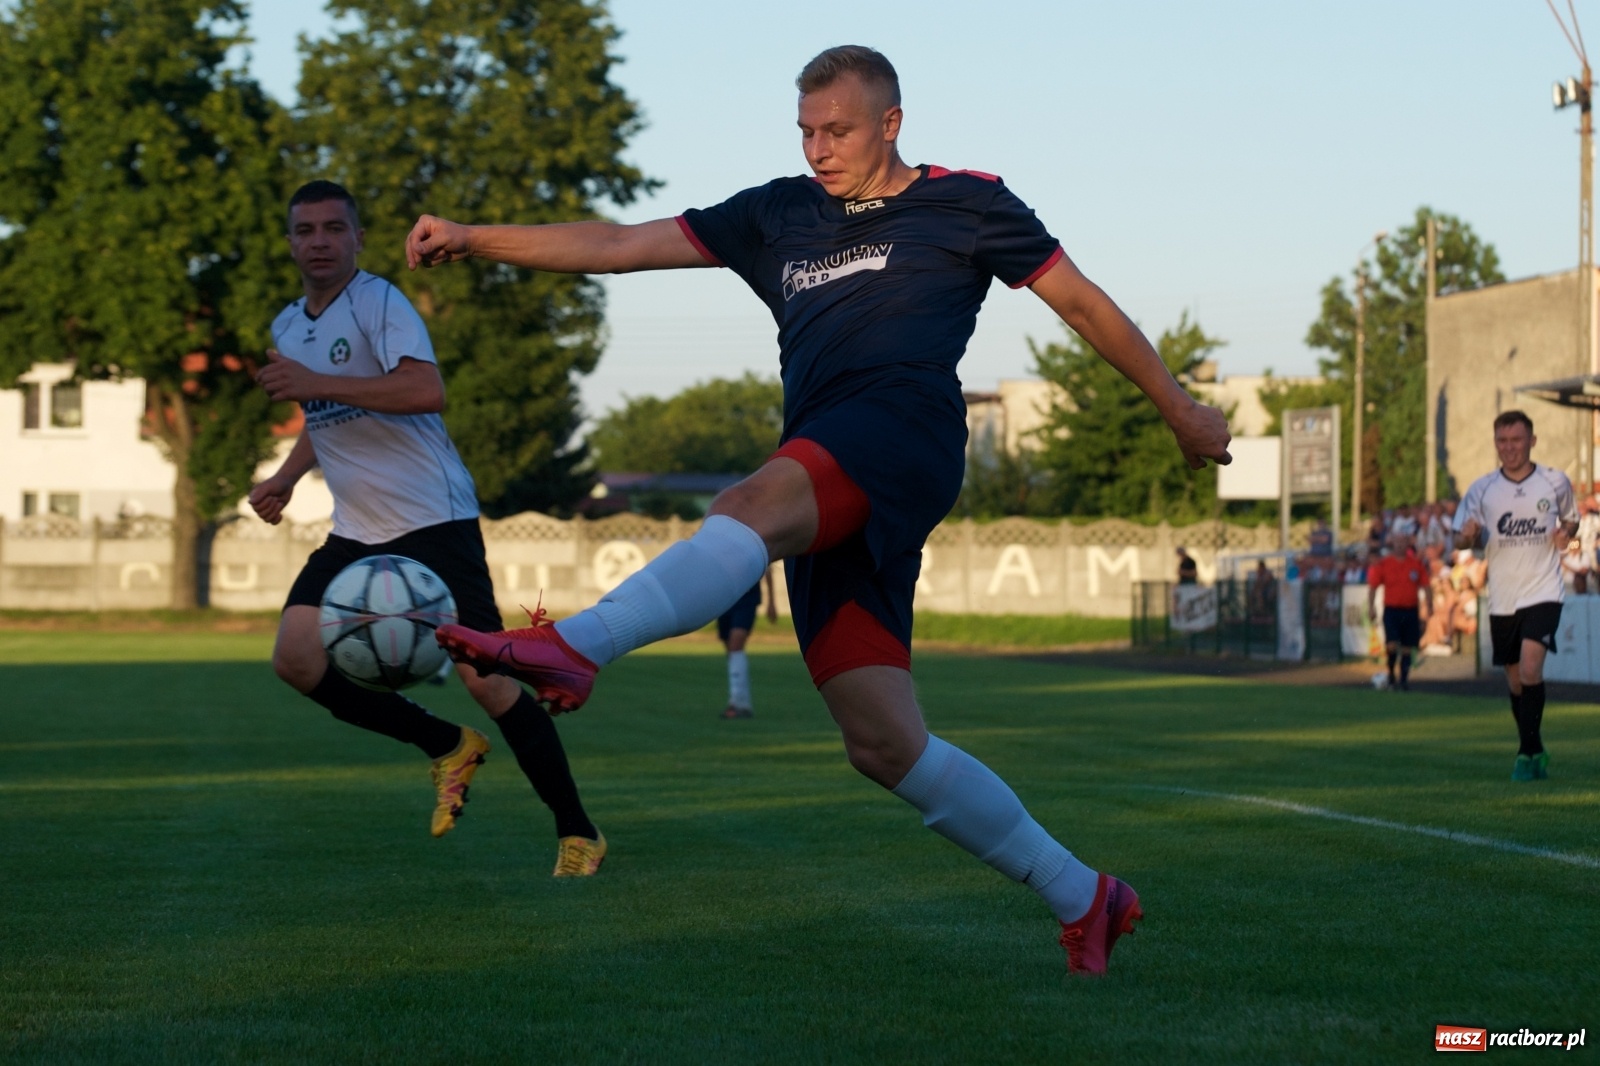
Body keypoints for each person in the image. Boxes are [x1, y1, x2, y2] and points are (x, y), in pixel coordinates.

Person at [407, 46, 1232, 974]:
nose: (817, 148)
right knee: (881, 743)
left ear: (891, 123)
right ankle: (1084, 895)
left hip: (901, 434)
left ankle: (578, 646)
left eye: (836, 129)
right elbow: (617, 244)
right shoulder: (777, 212)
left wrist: (1178, 407)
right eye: (805, 130)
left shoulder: (969, 202)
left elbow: (1079, 304)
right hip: (828, 471)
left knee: (748, 502)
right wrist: (476, 236)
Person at [248, 180, 606, 876]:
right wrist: (287, 476)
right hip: (356, 529)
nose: (318, 241)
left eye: (332, 228)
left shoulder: (380, 302)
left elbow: (423, 390)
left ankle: (578, 831)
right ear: (291, 242)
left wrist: (316, 385)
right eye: (305, 230)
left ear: (356, 238)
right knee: (295, 659)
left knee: (488, 680)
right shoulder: (289, 327)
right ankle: (447, 744)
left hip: (432, 518)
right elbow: (327, 420)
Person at [1452, 410, 1577, 782]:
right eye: (1502, 441)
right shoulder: (1482, 489)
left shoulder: (1554, 481)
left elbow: (1571, 519)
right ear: (1495, 443)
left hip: (1543, 590)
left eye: (1516, 440)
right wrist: (1469, 536)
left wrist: (1565, 534)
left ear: (1532, 441)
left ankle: (1524, 754)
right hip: (1503, 595)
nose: (1509, 448)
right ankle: (1535, 747)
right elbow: (1460, 537)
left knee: (1529, 668)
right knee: (1515, 681)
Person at [1366, 533, 1430, 690]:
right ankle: (1391, 674)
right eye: (1397, 542)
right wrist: (1371, 606)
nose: (1400, 545)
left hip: (1410, 610)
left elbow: (1426, 585)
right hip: (1392, 610)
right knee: (1392, 645)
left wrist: (1429, 605)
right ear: (1393, 544)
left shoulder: (1415, 564)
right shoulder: (1385, 564)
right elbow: (1373, 586)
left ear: (1407, 544)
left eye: (1403, 542)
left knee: (1408, 647)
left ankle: (1404, 680)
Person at [718, 566, 778, 719]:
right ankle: (742, 702)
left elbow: (767, 568)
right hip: (726, 598)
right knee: (730, 648)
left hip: (747, 598)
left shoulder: (753, 541)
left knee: (735, 643)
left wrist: (771, 602)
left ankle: (737, 703)